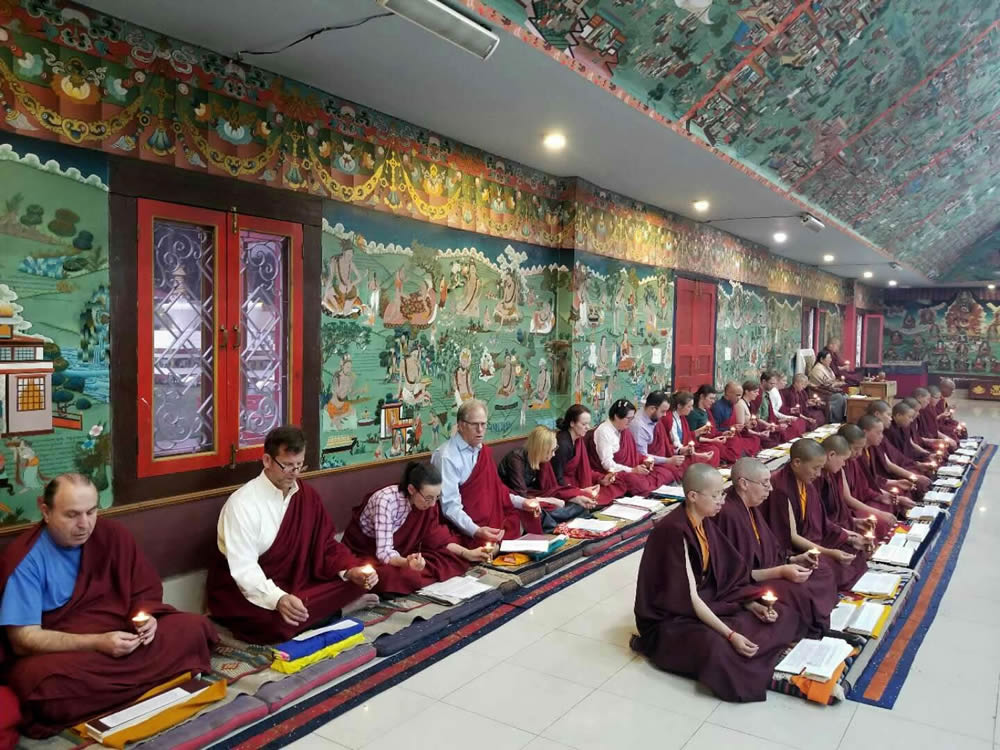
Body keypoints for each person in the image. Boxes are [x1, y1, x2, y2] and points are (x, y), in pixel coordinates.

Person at [0, 474, 218, 737]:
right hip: (71, 652)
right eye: (72, 515)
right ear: (45, 511)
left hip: (123, 637)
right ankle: (150, 682)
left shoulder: (112, 535)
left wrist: (148, 620)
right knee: (41, 686)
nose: (84, 524)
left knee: (194, 628)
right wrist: (97, 642)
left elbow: (143, 593)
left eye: (91, 512)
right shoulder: (27, 559)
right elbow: (23, 639)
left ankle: (119, 691)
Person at [632, 464, 802, 702]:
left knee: (782, 613)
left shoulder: (704, 520)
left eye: (722, 493)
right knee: (718, 647)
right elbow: (688, 597)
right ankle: (762, 669)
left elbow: (726, 575)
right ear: (692, 496)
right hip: (671, 618)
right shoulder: (673, 531)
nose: (722, 501)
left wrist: (751, 604)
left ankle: (758, 656)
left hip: (709, 602)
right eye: (715, 495)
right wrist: (731, 635)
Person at [206, 426, 378, 645]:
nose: (294, 473)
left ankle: (322, 611)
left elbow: (326, 545)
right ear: (267, 460)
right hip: (245, 590)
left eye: (299, 466)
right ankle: (338, 612)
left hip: (298, 581)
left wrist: (350, 570)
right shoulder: (242, 504)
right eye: (287, 466)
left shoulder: (306, 495)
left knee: (358, 580)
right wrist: (278, 599)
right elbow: (244, 569)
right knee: (274, 623)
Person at [715, 458, 838, 635]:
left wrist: (793, 559)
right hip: (747, 585)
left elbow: (769, 548)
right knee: (799, 591)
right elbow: (731, 575)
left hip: (766, 571)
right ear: (743, 484)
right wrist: (781, 571)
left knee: (822, 570)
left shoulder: (749, 505)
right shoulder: (728, 514)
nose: (770, 488)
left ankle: (817, 622)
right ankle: (811, 631)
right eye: (765, 483)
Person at [342, 463, 487, 595]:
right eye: (428, 498)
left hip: (403, 552)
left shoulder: (426, 503)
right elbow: (383, 552)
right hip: (368, 552)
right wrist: (407, 563)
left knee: (452, 556)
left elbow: (436, 538)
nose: (432, 504)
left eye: (436, 498)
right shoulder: (385, 501)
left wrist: (466, 553)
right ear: (411, 489)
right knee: (389, 577)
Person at [761, 439, 868, 591]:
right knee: (826, 570)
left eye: (820, 469)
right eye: (815, 468)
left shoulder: (806, 482)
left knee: (853, 551)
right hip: (792, 549)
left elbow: (821, 521)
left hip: (813, 540)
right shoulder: (780, 487)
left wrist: (849, 536)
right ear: (797, 462)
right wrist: (830, 553)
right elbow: (791, 537)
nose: (818, 474)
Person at [432, 400, 543, 543]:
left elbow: (498, 491)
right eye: (474, 425)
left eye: (483, 424)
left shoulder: (481, 450)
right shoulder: (446, 457)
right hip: (464, 527)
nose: (480, 430)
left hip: (492, 518)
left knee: (524, 515)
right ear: (460, 425)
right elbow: (450, 507)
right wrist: (476, 531)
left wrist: (523, 502)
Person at [498, 426, 595, 530]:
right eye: (552, 450)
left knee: (578, 505)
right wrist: (550, 500)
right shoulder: (516, 459)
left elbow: (550, 489)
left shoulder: (541, 459)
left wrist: (574, 498)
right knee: (540, 514)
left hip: (534, 494)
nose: (553, 455)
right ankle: (560, 519)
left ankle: (562, 517)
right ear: (541, 449)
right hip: (517, 500)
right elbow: (522, 496)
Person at [551, 404, 623, 507]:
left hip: (575, 483)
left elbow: (583, 469)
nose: (588, 427)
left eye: (588, 424)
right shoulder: (562, 444)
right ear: (572, 423)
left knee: (617, 485)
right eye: (584, 424)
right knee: (593, 499)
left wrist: (601, 479)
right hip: (563, 487)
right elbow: (556, 478)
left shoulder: (578, 439)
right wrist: (578, 491)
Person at [586, 399, 662, 496]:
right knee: (637, 482)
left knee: (661, 471)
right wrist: (632, 470)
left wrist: (644, 460)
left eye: (632, 418)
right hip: (610, 473)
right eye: (628, 419)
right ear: (617, 416)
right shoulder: (604, 432)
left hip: (627, 469)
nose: (630, 422)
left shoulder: (623, 430)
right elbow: (607, 464)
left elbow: (633, 455)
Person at [837, 424, 899, 535]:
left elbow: (864, 487)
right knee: (877, 521)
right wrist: (879, 513)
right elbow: (847, 499)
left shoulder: (854, 461)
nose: (859, 453)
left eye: (861, 448)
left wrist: (880, 496)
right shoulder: (838, 466)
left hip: (860, 503)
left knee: (887, 505)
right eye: (856, 449)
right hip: (846, 512)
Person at [864, 403, 932, 491]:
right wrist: (914, 476)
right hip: (881, 479)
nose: (890, 418)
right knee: (908, 486)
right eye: (888, 415)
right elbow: (887, 465)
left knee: (919, 475)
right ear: (877, 414)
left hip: (888, 475)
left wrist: (917, 464)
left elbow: (897, 455)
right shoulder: (878, 436)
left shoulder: (879, 435)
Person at [653, 391, 720, 468]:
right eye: (689, 406)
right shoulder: (669, 419)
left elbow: (687, 436)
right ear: (679, 406)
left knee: (714, 450)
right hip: (676, 454)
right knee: (698, 460)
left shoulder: (682, 417)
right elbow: (674, 445)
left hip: (685, 450)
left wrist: (700, 431)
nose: (692, 409)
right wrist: (697, 454)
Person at [629, 391, 686, 482]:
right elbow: (642, 456)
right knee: (667, 474)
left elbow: (665, 444)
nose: (665, 415)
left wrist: (678, 450)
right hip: (644, 464)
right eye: (663, 411)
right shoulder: (639, 426)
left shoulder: (654, 418)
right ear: (652, 409)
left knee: (681, 467)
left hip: (658, 459)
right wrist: (668, 460)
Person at [691, 385, 745, 464]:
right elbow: (691, 436)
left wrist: (724, 433)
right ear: (702, 396)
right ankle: (730, 460)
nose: (713, 401)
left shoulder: (707, 411)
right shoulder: (694, 413)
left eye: (714, 399)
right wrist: (712, 440)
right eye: (711, 398)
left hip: (713, 437)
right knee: (715, 449)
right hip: (701, 442)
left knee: (734, 439)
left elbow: (714, 430)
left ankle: (733, 460)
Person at [884, 402, 935, 473]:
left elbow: (909, 447)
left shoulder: (903, 427)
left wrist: (926, 455)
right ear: (898, 415)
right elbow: (895, 457)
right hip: (900, 465)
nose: (911, 420)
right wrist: (917, 464)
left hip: (907, 461)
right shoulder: (889, 431)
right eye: (909, 417)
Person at [911, 387, 957, 452]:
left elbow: (932, 426)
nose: (928, 402)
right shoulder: (919, 412)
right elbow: (912, 440)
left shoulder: (927, 408)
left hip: (928, 437)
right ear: (919, 397)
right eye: (927, 399)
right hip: (920, 443)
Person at [765, 372, 807, 439]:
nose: (786, 383)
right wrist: (786, 417)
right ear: (777, 381)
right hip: (774, 418)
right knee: (794, 424)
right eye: (784, 380)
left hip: (779, 416)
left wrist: (790, 411)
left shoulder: (778, 391)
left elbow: (781, 408)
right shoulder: (773, 392)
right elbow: (772, 410)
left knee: (799, 421)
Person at [809, 350, 846, 422]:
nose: (830, 360)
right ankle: (834, 420)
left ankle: (844, 418)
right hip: (820, 392)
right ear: (822, 359)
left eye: (831, 358)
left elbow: (831, 380)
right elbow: (825, 384)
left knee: (845, 396)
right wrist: (837, 384)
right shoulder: (817, 369)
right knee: (839, 397)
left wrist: (837, 383)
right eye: (828, 358)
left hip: (828, 390)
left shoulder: (827, 367)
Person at [734, 381, 774, 449]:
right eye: (755, 392)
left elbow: (756, 419)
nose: (757, 394)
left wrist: (768, 425)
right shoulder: (740, 404)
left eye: (758, 392)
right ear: (746, 391)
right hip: (745, 434)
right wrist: (759, 434)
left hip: (753, 431)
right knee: (759, 441)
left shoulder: (751, 404)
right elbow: (742, 428)